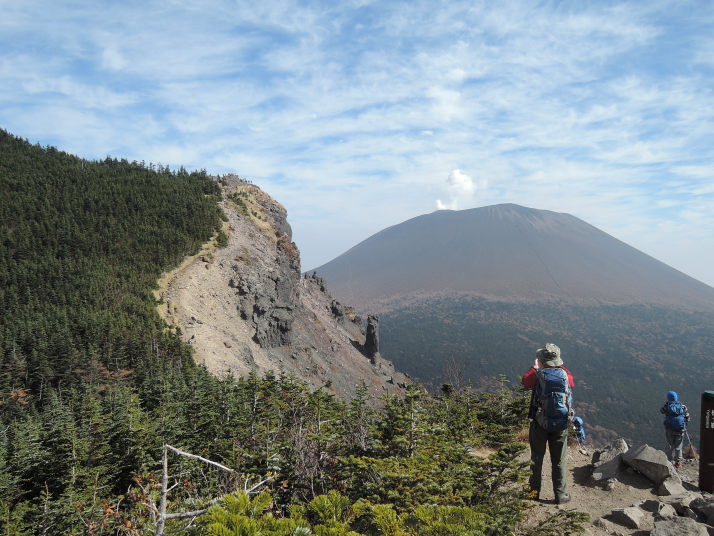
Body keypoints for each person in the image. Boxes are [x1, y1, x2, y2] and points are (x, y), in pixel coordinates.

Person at [522, 343, 574, 504]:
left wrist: (534, 367)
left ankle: (533, 492)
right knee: (558, 460)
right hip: (560, 424)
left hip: (539, 423)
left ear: (542, 360)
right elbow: (570, 387)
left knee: (536, 457)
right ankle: (560, 494)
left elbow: (525, 382)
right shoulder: (565, 374)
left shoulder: (537, 374)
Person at [660, 391, 690, 468]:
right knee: (678, 446)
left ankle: (668, 462)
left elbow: (661, 411)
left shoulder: (667, 405)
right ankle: (678, 463)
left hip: (669, 429)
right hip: (680, 430)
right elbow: (688, 418)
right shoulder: (683, 406)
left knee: (670, 445)